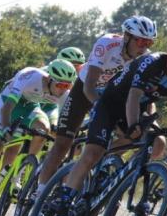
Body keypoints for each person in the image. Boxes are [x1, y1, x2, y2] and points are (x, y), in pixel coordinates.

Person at [49, 27, 167, 216]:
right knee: (92, 153)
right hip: (110, 103)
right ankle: (61, 209)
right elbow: (133, 96)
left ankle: (109, 167)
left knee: (158, 143)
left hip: (135, 110)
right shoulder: (152, 62)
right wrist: (133, 125)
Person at [34, 15, 156, 198]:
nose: (143, 46)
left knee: (132, 134)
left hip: (113, 96)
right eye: (140, 40)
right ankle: (39, 193)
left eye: (148, 42)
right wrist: (101, 111)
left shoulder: (145, 59)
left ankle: (102, 159)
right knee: (62, 143)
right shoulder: (107, 44)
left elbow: (142, 94)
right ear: (127, 36)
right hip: (84, 92)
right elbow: (89, 86)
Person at [0, 59, 77, 216]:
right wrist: (7, 127)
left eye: (67, 86)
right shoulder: (30, 76)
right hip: (8, 104)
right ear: (49, 79)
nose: (63, 90)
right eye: (60, 85)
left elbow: (67, 121)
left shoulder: (64, 94)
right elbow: (8, 106)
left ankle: (24, 168)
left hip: (30, 107)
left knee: (44, 129)